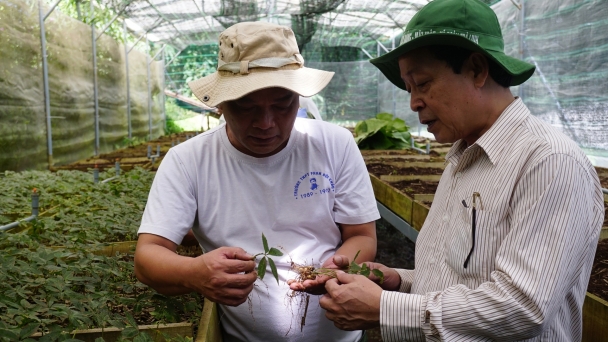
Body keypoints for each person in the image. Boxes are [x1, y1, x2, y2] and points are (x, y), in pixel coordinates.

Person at [295, 0, 604, 340]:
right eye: (409, 88)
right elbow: (457, 279)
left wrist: (386, 307)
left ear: (476, 69)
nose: (413, 102)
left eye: (422, 83)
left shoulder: (549, 162)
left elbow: (523, 306)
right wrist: (398, 282)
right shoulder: (462, 157)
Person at [134, 21, 380, 342]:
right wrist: (194, 273)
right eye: (246, 106)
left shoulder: (334, 144)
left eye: (282, 105)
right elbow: (148, 256)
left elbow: (362, 235)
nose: (266, 123)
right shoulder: (188, 160)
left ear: (299, 99)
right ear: (220, 105)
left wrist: (337, 266)